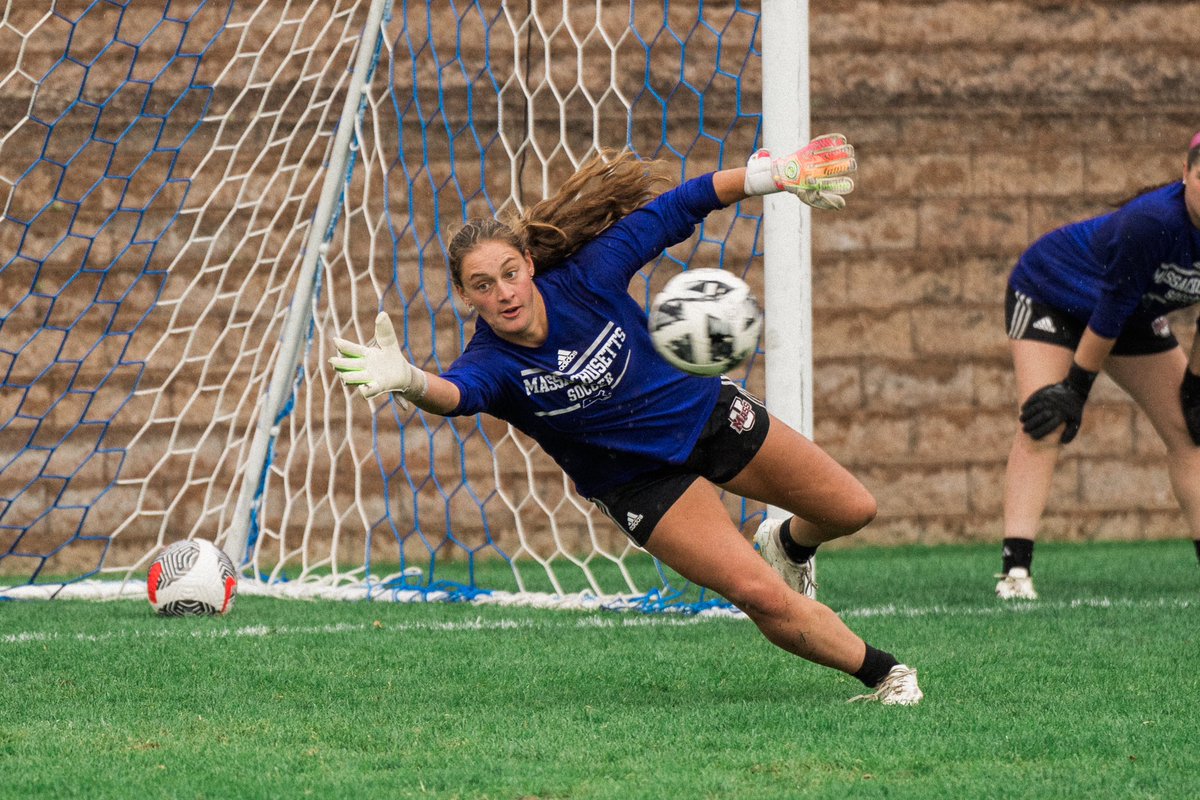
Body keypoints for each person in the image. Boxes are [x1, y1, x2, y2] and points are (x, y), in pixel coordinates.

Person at [330, 137, 923, 706]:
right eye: (483, 285)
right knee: (757, 593)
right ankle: (888, 674)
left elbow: (677, 207)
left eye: (510, 273)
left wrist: (772, 176)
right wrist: (408, 379)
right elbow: (455, 395)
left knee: (852, 510)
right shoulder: (492, 364)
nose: (504, 293)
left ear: (530, 265)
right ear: (466, 298)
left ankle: (787, 542)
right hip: (638, 483)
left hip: (705, 415)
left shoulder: (589, 276)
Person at [997, 129, 1200, 600]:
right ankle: (1015, 574)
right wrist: (1074, 390)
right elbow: (1108, 310)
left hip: (1129, 313)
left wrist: (1195, 383)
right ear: (1185, 173)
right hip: (1052, 293)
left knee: (1191, 433)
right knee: (1044, 420)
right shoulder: (1152, 221)